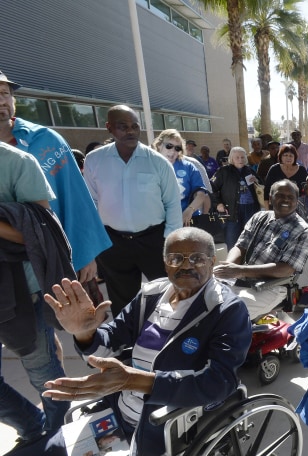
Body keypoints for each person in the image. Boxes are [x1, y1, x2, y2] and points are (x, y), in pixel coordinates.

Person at [0, 227, 252, 456]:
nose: (186, 266)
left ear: (212, 261)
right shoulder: (152, 295)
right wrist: (83, 332)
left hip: (157, 434)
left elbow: (218, 383)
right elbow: (109, 341)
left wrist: (132, 380)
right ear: (164, 261)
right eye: (176, 258)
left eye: (197, 259)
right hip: (110, 418)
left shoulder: (227, 310)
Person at [0, 70, 110, 291]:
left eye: (4, 93)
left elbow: (75, 196)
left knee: (41, 321)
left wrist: (84, 252)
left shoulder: (44, 140)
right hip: (5, 268)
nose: (1, 100)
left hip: (44, 263)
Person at [0, 142, 74, 448]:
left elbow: (41, 233)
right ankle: (32, 428)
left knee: (46, 377)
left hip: (20, 294)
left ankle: (60, 443)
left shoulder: (16, 162)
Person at [83, 105, 182, 317]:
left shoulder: (158, 163)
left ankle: (167, 337)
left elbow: (173, 203)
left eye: (134, 126)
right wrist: (94, 242)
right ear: (109, 128)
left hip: (154, 240)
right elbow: (89, 203)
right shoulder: (94, 160)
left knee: (167, 294)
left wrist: (170, 243)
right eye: (122, 126)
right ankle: (129, 345)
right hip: (113, 243)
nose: (130, 131)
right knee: (122, 302)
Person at [214, 180, 308, 318]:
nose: (285, 200)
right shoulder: (259, 217)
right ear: (271, 198)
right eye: (280, 195)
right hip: (241, 279)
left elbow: (287, 269)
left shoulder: (302, 230)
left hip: (271, 287)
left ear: (297, 201)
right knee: (203, 298)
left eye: (290, 197)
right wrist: (229, 267)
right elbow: (240, 246)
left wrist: (239, 271)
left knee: (229, 314)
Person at [151, 129, 210, 225]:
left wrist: (189, 210)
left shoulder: (188, 166)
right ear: (159, 145)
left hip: (186, 221)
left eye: (177, 148)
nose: (173, 151)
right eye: (169, 146)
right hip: (158, 223)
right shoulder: (149, 166)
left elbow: (201, 194)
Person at [210, 146, 262, 251]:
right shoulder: (224, 171)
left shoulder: (249, 170)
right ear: (231, 159)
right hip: (232, 211)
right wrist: (218, 204)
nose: (240, 160)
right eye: (237, 157)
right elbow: (211, 188)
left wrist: (257, 180)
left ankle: (248, 264)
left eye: (242, 157)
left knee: (250, 239)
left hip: (251, 210)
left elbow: (261, 186)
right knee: (233, 241)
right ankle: (233, 264)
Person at [264, 143, 308, 208]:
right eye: (285, 155)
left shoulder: (302, 170)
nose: (288, 158)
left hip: (296, 207)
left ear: (295, 157)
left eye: (291, 156)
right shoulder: (274, 169)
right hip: (277, 206)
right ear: (280, 156)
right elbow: (267, 189)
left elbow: (306, 189)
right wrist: (267, 209)